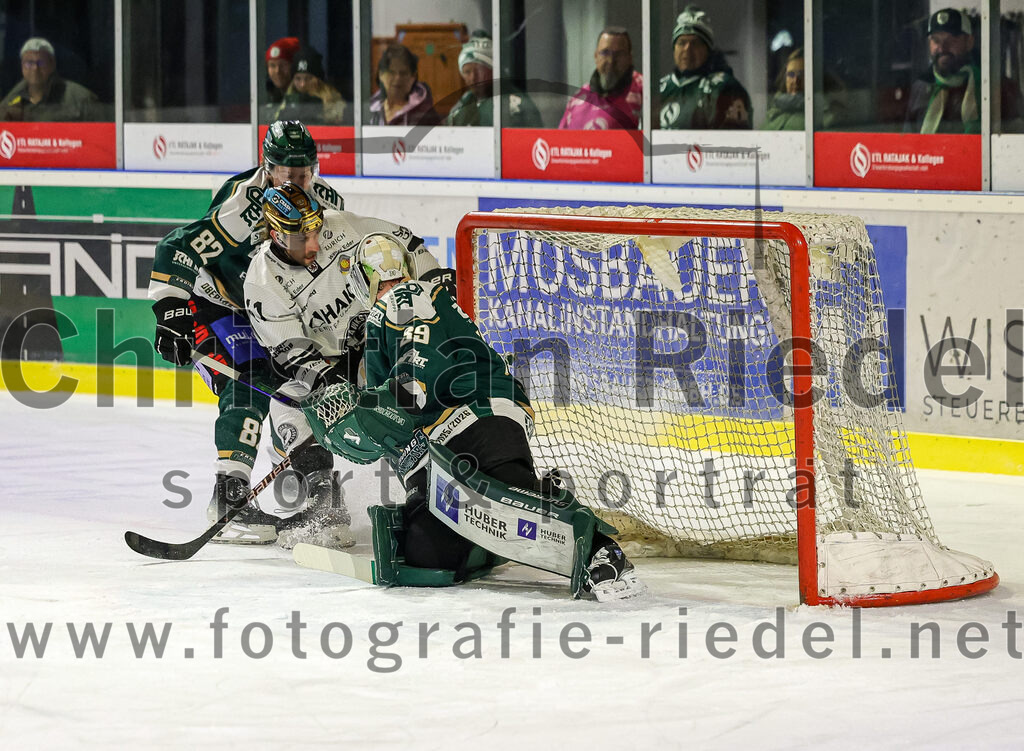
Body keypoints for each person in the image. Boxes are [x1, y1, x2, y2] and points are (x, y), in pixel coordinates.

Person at [293, 229, 643, 600]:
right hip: (452, 435)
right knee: (427, 554)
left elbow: (413, 371)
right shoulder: (412, 303)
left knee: (507, 492)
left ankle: (602, 550)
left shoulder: (400, 299)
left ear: (362, 281)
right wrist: (370, 413)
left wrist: (367, 414)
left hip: (474, 412)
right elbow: (399, 405)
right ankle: (489, 538)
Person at [148, 121, 349, 545]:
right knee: (251, 382)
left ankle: (320, 489)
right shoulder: (244, 203)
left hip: (274, 310)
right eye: (286, 173)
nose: (296, 181)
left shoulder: (328, 202)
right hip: (220, 306)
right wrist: (170, 310)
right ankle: (228, 496)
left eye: (304, 173)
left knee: (306, 381)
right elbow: (176, 246)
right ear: (267, 167)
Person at [242, 184, 453, 547]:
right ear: (277, 236)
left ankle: (447, 472)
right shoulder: (262, 282)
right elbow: (293, 353)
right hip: (332, 366)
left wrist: (434, 285)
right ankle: (324, 502)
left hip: (387, 340)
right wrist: (328, 382)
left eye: (315, 230)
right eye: (302, 237)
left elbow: (408, 248)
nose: (314, 243)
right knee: (287, 405)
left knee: (414, 394)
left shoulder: (344, 227)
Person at [904, 9, 1021, 134]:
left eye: (951, 40)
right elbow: (907, 139)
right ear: (929, 44)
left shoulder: (997, 87)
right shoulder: (920, 88)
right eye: (936, 40)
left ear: (969, 42)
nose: (942, 48)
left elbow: (1015, 137)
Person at [658, 6, 752, 130]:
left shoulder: (725, 87)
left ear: (708, 50)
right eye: (681, 42)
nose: (687, 49)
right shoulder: (660, 88)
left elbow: (732, 139)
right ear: (674, 49)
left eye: (695, 43)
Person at [446, 31, 541, 127]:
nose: (473, 77)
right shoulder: (463, 104)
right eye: (467, 72)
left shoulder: (516, 104)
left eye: (479, 71)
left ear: (492, 70)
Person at [558, 27, 643, 130]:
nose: (611, 61)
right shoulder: (580, 97)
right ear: (596, 56)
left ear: (630, 57)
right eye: (605, 53)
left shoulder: (643, 90)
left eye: (619, 54)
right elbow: (560, 137)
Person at [0, 37, 100, 121]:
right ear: (22, 66)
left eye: (41, 63)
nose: (35, 68)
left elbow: (101, 133)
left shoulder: (80, 98)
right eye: (29, 63)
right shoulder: (10, 101)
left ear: (52, 65)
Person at [760, 47, 846, 130]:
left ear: (817, 78)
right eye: (791, 74)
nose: (795, 81)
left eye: (802, 74)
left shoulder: (828, 114)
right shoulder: (775, 109)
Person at [367, 44, 440, 126]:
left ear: (413, 77)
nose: (398, 78)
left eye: (403, 73)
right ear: (381, 75)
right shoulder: (369, 111)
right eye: (392, 72)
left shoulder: (426, 115)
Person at [273, 46, 347, 125]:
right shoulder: (288, 99)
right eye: (298, 79)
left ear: (318, 80)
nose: (303, 84)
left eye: (308, 78)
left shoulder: (334, 100)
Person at [264, 36, 300, 117]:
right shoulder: (266, 96)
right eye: (272, 65)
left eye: (283, 65)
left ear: (294, 66)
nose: (277, 71)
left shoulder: (303, 99)